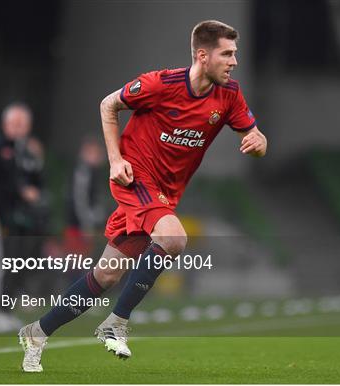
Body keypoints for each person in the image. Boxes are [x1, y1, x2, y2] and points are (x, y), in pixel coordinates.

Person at [18, 20, 267, 372]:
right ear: (202, 55)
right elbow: (108, 104)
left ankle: (37, 331)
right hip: (134, 178)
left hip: (164, 195)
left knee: (105, 276)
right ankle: (115, 323)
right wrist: (115, 160)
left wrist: (259, 144)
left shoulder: (229, 95)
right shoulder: (160, 84)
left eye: (235, 54)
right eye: (227, 54)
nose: (234, 61)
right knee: (174, 237)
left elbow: (256, 138)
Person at [0, 102, 47, 333]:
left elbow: (36, 182)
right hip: (0, 218)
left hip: (21, 221)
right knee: (3, 264)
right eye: (15, 123)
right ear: (6, 124)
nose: (19, 128)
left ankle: (6, 311)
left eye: (23, 124)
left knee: (17, 264)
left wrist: (37, 163)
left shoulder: (27, 151)